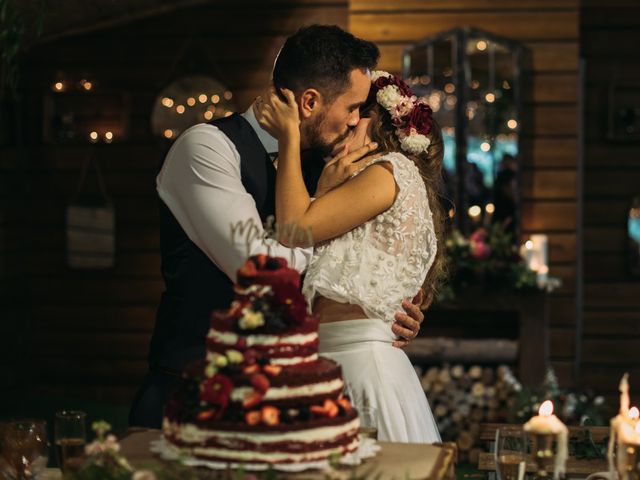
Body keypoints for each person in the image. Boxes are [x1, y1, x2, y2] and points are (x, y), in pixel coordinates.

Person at [129, 25, 426, 429]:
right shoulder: (206, 148)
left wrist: (384, 310)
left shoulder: (323, 166)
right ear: (309, 102)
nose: (356, 120)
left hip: (286, 407)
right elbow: (268, 274)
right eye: (352, 106)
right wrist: (316, 207)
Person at [256, 68, 446, 442]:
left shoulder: (387, 171)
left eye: (360, 112)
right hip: (338, 358)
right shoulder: (368, 182)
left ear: (380, 126)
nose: (350, 122)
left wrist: (289, 135)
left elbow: (295, 227)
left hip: (358, 365)